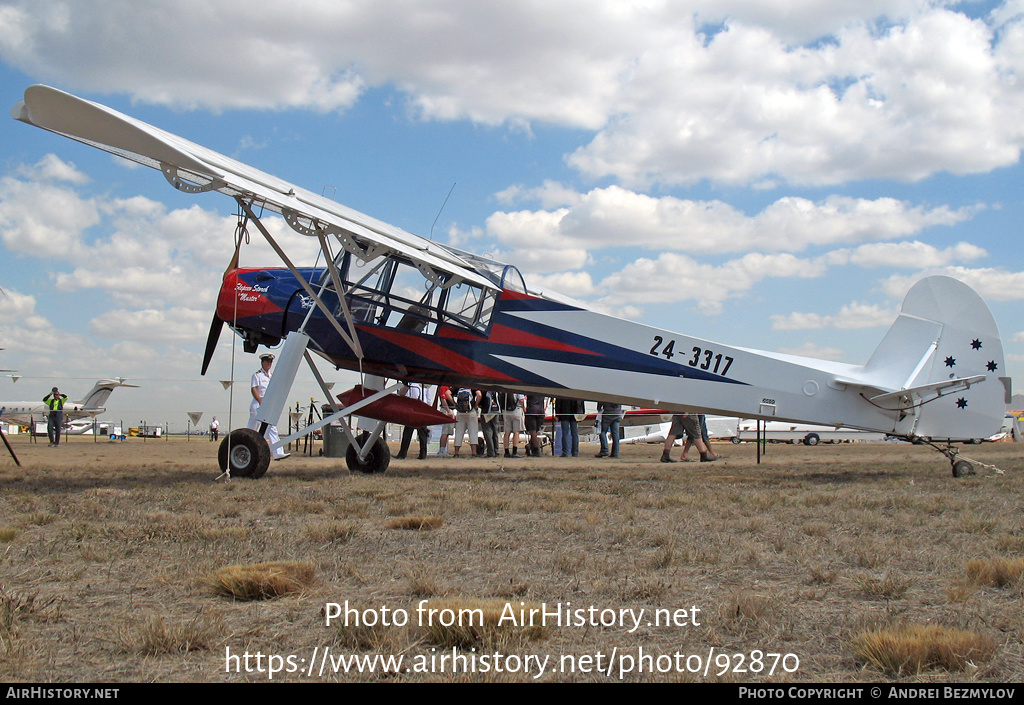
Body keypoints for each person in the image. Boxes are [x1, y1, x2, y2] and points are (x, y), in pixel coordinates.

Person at [248, 353, 288, 460]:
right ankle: (245, 444)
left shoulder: (272, 376)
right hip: (258, 404)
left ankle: (277, 452)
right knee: (252, 428)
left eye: (271, 362)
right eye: (267, 361)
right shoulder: (257, 375)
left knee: (271, 427)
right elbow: (254, 389)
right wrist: (260, 401)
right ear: (262, 362)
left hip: (268, 405)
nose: (269, 364)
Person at [396, 383, 430, 460]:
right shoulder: (411, 384)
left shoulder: (422, 385)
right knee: (410, 432)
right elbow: (402, 395)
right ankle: (404, 453)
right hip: (414, 409)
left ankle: (421, 454)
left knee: (421, 433)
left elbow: (428, 399)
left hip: (419, 408)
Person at [452, 387, 481, 457]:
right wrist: (476, 405)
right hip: (471, 411)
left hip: (460, 412)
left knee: (459, 432)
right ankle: (474, 453)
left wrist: (454, 403)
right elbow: (479, 395)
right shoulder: (472, 385)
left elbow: (447, 393)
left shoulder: (458, 386)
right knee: (473, 432)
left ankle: (456, 453)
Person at [498, 391, 525, 457]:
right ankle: (515, 452)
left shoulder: (504, 388)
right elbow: (521, 399)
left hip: (505, 411)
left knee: (507, 432)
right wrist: (524, 408)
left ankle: (506, 452)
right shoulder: (517, 388)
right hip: (516, 410)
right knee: (516, 432)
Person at [435, 386, 455, 457]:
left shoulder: (448, 387)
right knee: (445, 431)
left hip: (449, 409)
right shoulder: (443, 387)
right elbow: (443, 399)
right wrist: (449, 411)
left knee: (447, 432)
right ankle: (442, 450)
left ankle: (444, 450)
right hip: (446, 410)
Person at [479, 390, 500, 457]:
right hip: (496, 411)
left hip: (486, 412)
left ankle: (491, 452)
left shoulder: (483, 390)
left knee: (487, 432)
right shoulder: (497, 390)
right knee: (495, 432)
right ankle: (496, 450)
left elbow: (480, 398)